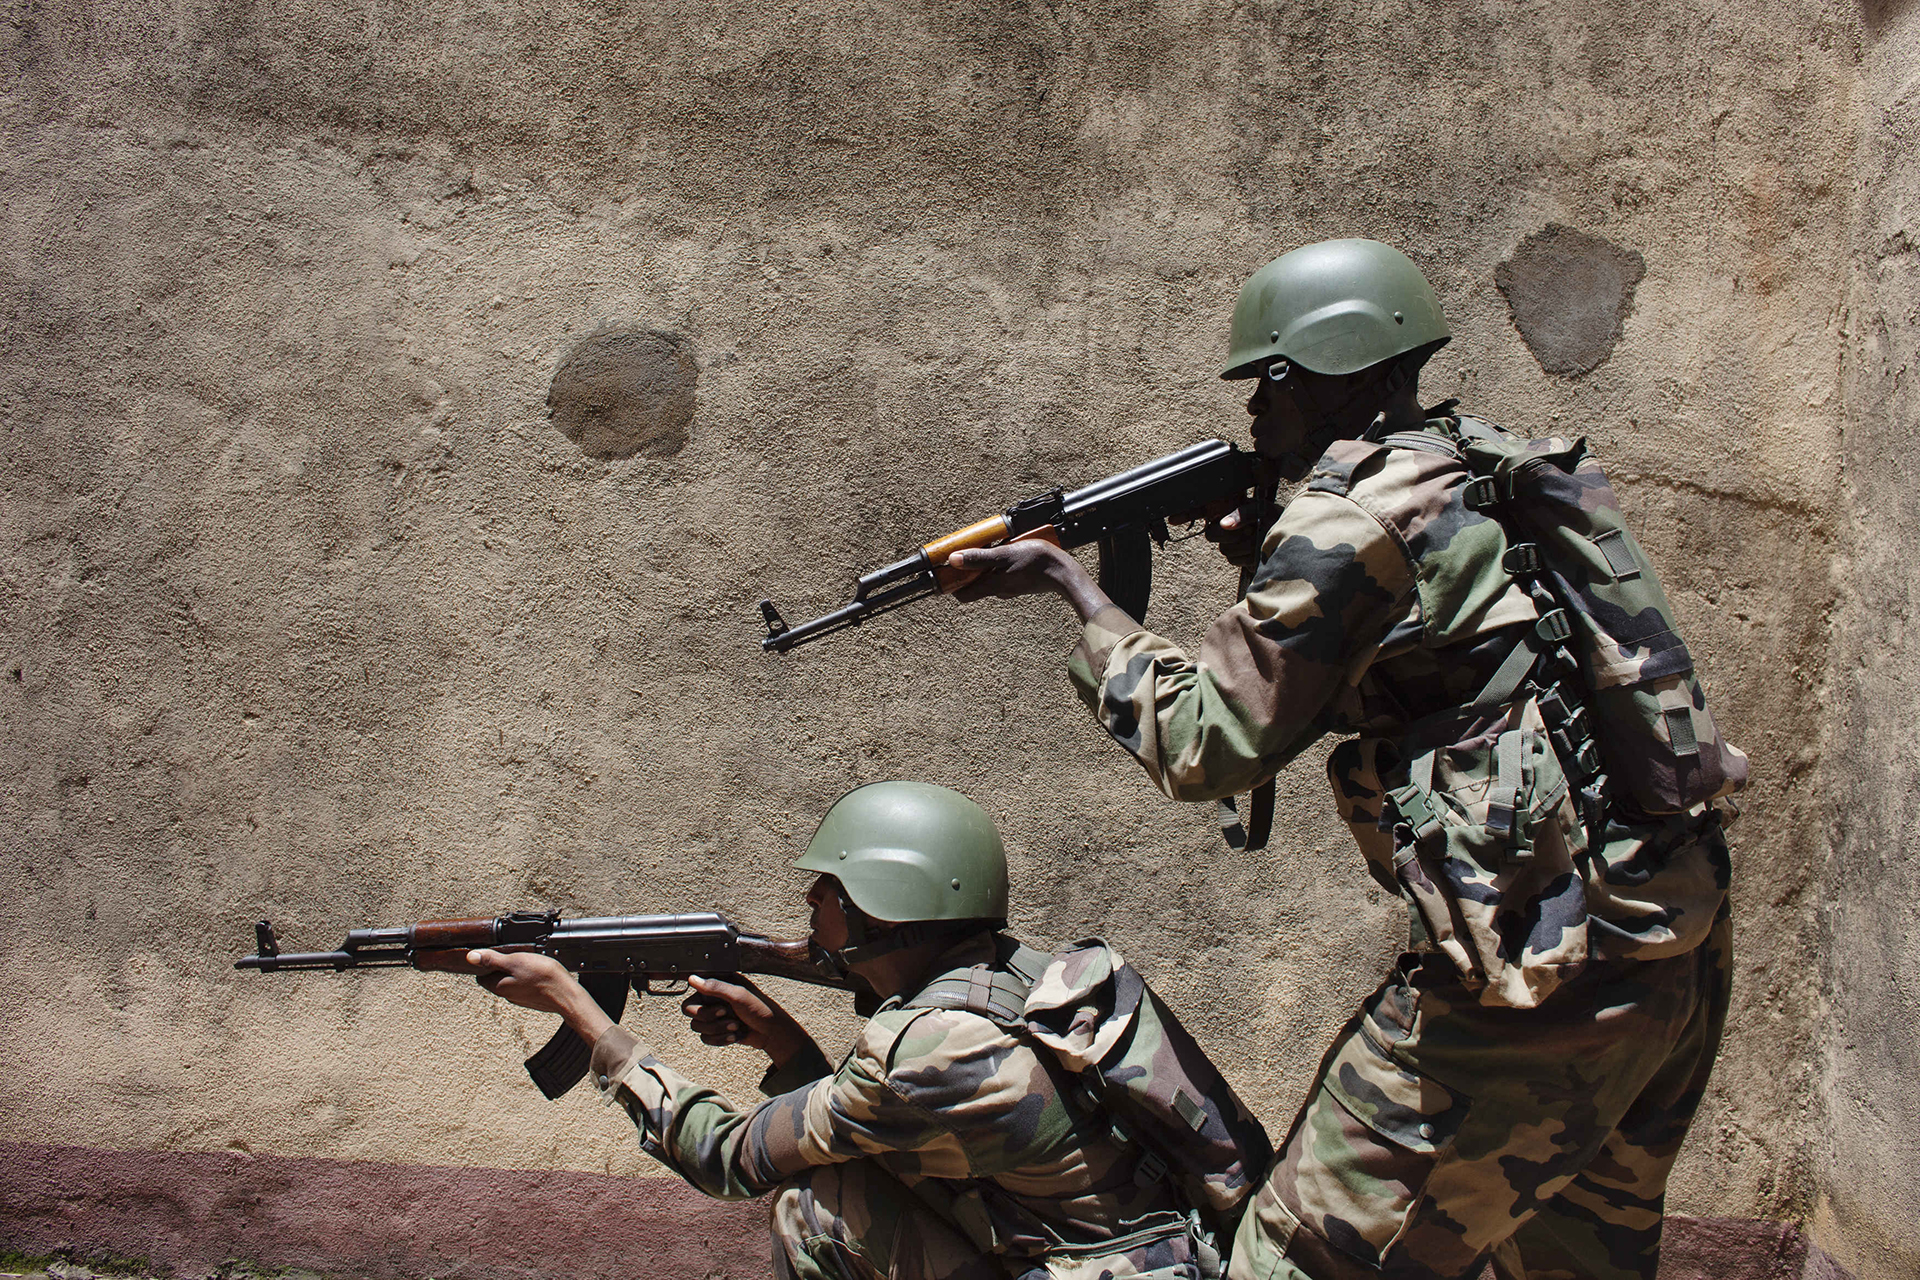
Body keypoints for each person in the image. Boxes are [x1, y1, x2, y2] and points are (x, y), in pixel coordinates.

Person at [947, 239, 1737, 1280]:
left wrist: (1074, 590)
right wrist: (1266, 548)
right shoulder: (1482, 463)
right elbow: (1455, 662)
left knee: (1293, 1258)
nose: (1252, 409)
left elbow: (1206, 745)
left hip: (1534, 981)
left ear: (1331, 368)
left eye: (1267, 380)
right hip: (1668, 935)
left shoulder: (1352, 510)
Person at [467, 779, 1220, 1280]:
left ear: (880, 906)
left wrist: (574, 1006)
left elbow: (727, 1159)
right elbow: (883, 1126)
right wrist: (783, 1044)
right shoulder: (1035, 979)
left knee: (815, 1210)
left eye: (829, 886)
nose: (810, 899)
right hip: (1151, 1256)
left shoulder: (922, 1050)